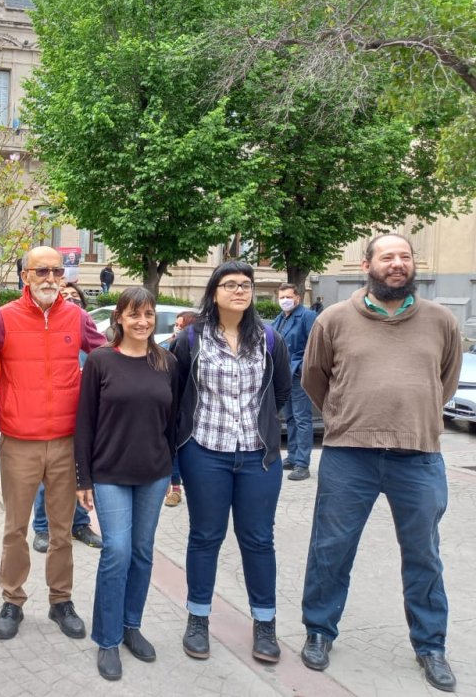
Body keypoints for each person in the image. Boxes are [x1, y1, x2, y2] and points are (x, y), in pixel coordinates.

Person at [298, 233, 462, 693]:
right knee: (331, 548)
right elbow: (314, 377)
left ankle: (430, 645)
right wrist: (345, 417)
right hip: (350, 456)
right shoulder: (333, 319)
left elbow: (445, 381)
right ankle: (319, 630)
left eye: (405, 256)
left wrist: (414, 414)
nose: (397, 264)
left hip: (418, 457)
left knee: (424, 555)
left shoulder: (441, 321)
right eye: (387, 257)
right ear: (366, 265)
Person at [0, 246, 107, 642]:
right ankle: (12, 600)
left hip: (67, 442)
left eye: (57, 271)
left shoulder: (77, 317)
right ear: (25, 276)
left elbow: (107, 358)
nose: (51, 278)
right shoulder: (3, 318)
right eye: (42, 271)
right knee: (15, 528)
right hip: (20, 442)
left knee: (62, 530)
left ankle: (60, 601)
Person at [173, 260, 290, 664]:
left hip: (259, 457)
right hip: (205, 452)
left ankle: (265, 624)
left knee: (258, 540)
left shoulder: (269, 338)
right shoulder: (191, 339)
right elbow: (177, 395)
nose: (239, 291)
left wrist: (263, 427)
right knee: (205, 537)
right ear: (214, 292)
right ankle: (198, 619)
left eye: (245, 285)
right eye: (230, 285)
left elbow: (281, 391)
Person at [75, 287, 178, 680]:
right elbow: (84, 423)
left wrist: (173, 475)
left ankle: (131, 625)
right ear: (119, 318)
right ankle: (107, 639)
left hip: (154, 473)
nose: (142, 321)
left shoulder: (167, 362)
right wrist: (83, 477)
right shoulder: (101, 361)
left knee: (141, 551)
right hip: (110, 473)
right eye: (134, 314)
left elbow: (173, 424)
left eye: (148, 314)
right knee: (116, 551)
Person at [32, 282, 102, 552]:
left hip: (83, 420)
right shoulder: (49, 337)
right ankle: (42, 527)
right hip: (51, 420)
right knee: (46, 477)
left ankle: (79, 524)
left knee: (80, 473)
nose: (71, 300)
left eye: (76, 297)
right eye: (65, 296)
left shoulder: (90, 342)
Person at [272, 283, 317, 481]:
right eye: (281, 297)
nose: (285, 301)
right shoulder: (280, 318)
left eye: (288, 297)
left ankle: (302, 464)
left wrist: (301, 368)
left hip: (298, 375)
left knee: (302, 419)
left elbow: (315, 346)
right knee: (289, 418)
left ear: (298, 297)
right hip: (283, 375)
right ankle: (292, 457)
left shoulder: (307, 316)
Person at [163, 310, 196, 507]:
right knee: (173, 446)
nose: (177, 328)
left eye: (182, 326)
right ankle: (175, 489)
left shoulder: (195, 346)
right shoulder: (170, 345)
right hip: (174, 406)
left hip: (192, 409)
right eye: (176, 325)